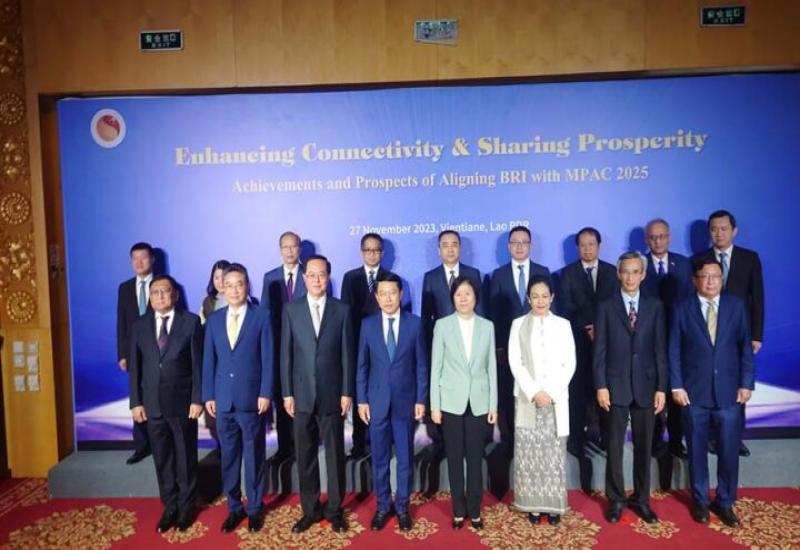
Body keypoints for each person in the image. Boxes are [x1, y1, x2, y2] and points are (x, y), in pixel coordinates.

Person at [670, 256, 754, 528]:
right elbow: (674, 350)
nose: (710, 281)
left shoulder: (736, 306)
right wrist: (677, 385)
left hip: (730, 394)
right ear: (695, 280)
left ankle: (725, 501)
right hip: (694, 394)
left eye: (716, 276)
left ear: (722, 279)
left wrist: (746, 383)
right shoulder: (682, 308)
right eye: (705, 276)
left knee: (729, 451)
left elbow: (745, 348)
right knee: (696, 451)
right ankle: (700, 501)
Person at [281, 255, 354, 534]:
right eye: (311, 275)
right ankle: (310, 510)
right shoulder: (291, 310)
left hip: (332, 394)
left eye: (321, 274)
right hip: (300, 395)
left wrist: (346, 391)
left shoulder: (342, 310)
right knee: (305, 455)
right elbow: (285, 355)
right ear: (304, 278)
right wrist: (287, 392)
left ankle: (335, 510)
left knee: (335, 455)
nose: (316, 280)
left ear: (329, 277)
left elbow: (347, 354)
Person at [594, 252, 667, 524]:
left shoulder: (655, 306)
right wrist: (601, 385)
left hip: (647, 386)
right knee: (614, 446)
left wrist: (661, 387)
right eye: (625, 271)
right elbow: (599, 351)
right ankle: (616, 499)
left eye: (635, 272)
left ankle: (641, 499)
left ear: (643, 275)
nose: (630, 277)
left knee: (644, 447)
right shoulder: (606, 306)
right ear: (618, 274)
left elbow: (660, 350)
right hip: (615, 386)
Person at [128, 275, 203, 533]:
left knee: (185, 457)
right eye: (155, 292)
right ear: (149, 298)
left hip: (183, 404)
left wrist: (197, 399)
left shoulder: (190, 322)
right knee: (162, 459)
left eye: (165, 291)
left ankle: (186, 507)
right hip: (152, 404)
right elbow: (135, 368)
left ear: (175, 295)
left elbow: (198, 365)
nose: (160, 296)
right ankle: (170, 506)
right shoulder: (139, 326)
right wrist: (136, 402)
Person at [202, 263, 272, 533]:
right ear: (222, 288)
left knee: (254, 456)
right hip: (222, 401)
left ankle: (254, 508)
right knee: (229, 458)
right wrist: (209, 394)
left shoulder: (261, 316)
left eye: (239, 284)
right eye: (228, 285)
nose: (233, 290)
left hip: (252, 399)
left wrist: (265, 392)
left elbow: (268, 358)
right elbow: (209, 360)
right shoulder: (215, 320)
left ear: (247, 286)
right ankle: (234, 508)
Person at [356, 272, 428, 532]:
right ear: (376, 297)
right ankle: (383, 506)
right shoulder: (367, 325)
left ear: (401, 294)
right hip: (376, 402)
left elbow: (421, 365)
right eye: (383, 294)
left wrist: (421, 398)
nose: (388, 298)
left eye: (392, 293)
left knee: (405, 459)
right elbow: (362, 365)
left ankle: (403, 508)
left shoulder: (414, 324)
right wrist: (361, 400)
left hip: (405, 402)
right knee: (380, 459)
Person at [693, 209, 764, 457]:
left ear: (734, 231)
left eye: (724, 228)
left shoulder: (749, 258)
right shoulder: (699, 259)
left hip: (737, 334)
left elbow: (758, 298)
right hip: (707, 333)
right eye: (714, 229)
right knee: (709, 383)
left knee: (737, 384)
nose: (719, 233)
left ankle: (735, 437)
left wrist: (756, 335)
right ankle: (712, 436)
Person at [431, 276, 498, 530]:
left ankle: (475, 510)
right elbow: (436, 367)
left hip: (479, 401)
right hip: (450, 402)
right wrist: (435, 405)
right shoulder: (443, 326)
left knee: (475, 458)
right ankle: (459, 511)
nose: (463, 298)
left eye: (467, 293)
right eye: (458, 294)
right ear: (452, 298)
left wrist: (493, 404)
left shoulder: (487, 326)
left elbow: (491, 367)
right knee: (455, 459)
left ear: (475, 297)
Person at [508, 276, 575, 526]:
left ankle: (554, 506)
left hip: (556, 400)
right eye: (535, 296)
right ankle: (533, 506)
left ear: (552, 297)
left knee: (553, 454)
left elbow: (570, 363)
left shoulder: (563, 325)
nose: (540, 301)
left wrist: (551, 393)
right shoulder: (518, 324)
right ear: (528, 298)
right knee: (529, 454)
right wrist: (535, 392)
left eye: (544, 296)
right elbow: (516, 361)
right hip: (528, 399)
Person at [420, 230, 482, 463]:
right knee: (446, 397)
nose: (450, 249)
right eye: (445, 245)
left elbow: (480, 312)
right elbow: (426, 317)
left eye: (454, 244)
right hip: (443, 349)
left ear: (460, 248)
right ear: (438, 250)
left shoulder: (473, 274)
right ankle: (445, 446)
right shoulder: (430, 277)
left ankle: (470, 446)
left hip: (469, 348)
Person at [488, 226, 550, 456]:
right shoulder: (498, 275)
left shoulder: (543, 272)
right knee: (510, 396)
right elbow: (493, 313)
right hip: (508, 351)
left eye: (524, 242)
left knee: (538, 393)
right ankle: (512, 445)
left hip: (539, 352)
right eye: (515, 242)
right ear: (508, 246)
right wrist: (499, 347)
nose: (520, 246)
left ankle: (538, 446)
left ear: (530, 245)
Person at [557, 227, 618, 455]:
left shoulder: (613, 272)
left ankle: (607, 440)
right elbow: (565, 307)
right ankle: (576, 441)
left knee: (606, 392)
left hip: (609, 344)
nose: (587, 249)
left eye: (591, 244)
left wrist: (600, 329)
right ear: (577, 247)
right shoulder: (567, 274)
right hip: (578, 343)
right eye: (583, 245)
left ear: (599, 246)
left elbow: (616, 305)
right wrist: (588, 327)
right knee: (577, 393)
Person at [641, 219, 693, 458]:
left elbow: (691, 301)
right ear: (647, 240)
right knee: (651, 390)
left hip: (679, 339)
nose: (658, 241)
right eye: (653, 237)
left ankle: (675, 441)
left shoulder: (683, 264)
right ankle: (653, 440)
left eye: (662, 236)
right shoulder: (638, 265)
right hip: (648, 339)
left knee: (676, 390)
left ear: (669, 237)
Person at [261, 231, 306, 463]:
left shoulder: (310, 274)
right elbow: (265, 315)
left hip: (304, 347)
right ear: (280, 250)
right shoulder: (270, 277)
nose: (289, 251)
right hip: (279, 347)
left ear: (300, 249)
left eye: (293, 246)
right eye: (285, 247)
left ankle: (303, 446)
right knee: (282, 397)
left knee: (303, 397)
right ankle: (284, 447)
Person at [340, 233, 387, 458]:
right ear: (361, 252)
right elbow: (345, 315)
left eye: (376, 250)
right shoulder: (350, 278)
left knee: (381, 392)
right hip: (357, 342)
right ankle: (359, 444)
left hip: (383, 345)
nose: (372, 254)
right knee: (361, 393)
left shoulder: (390, 278)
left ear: (382, 253)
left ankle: (381, 444)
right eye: (368, 250)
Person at [117, 241, 155, 465]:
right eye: (135, 259)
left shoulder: (162, 285)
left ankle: (159, 443)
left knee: (157, 395)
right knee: (137, 397)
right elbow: (121, 323)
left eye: (143, 257)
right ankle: (141, 446)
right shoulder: (124, 288)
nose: (139, 262)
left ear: (152, 259)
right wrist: (122, 354)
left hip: (158, 350)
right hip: (133, 351)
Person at [198, 259, 230, 447]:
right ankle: (222, 446)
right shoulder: (208, 303)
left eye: (224, 276)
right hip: (216, 362)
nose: (220, 281)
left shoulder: (245, 300)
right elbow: (202, 332)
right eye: (216, 277)